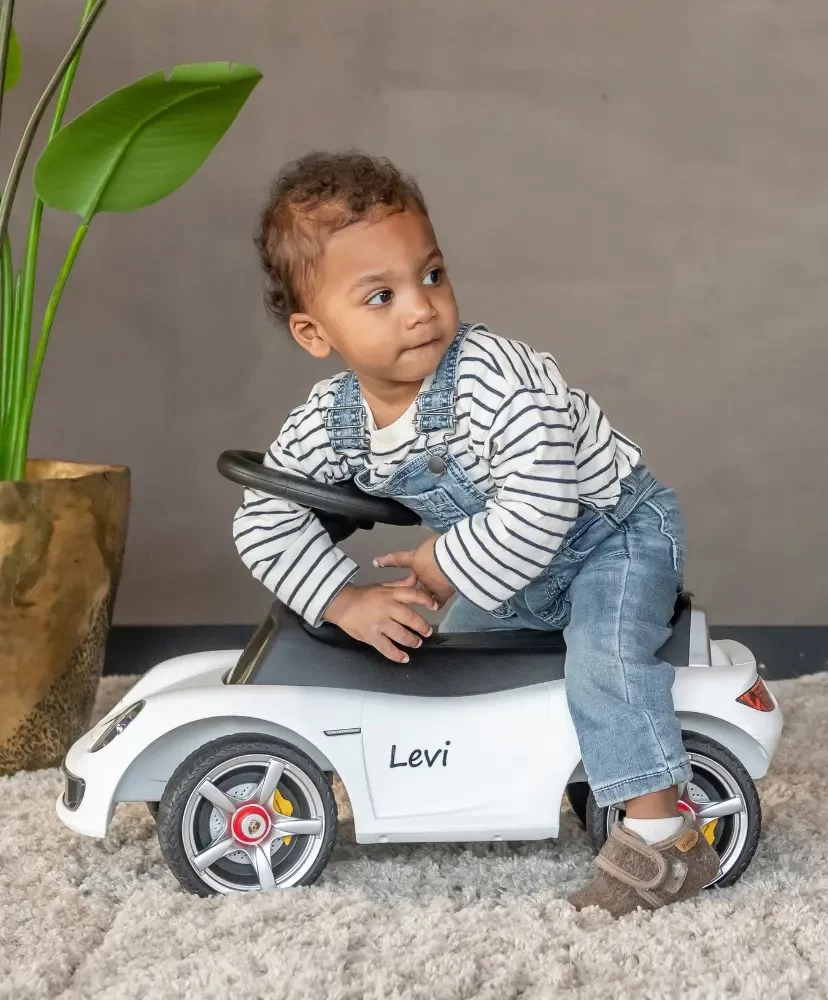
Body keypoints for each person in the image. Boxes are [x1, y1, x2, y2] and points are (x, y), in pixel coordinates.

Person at [233, 150, 719, 916]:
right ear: (314, 332)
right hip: (511, 565)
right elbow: (264, 516)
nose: (420, 309)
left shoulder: (498, 380)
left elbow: (544, 501)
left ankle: (666, 840)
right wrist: (342, 599)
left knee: (604, 662)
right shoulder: (332, 421)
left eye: (431, 276)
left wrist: (445, 561)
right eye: (381, 296)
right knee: (456, 668)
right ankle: (509, 789)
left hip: (613, 537)